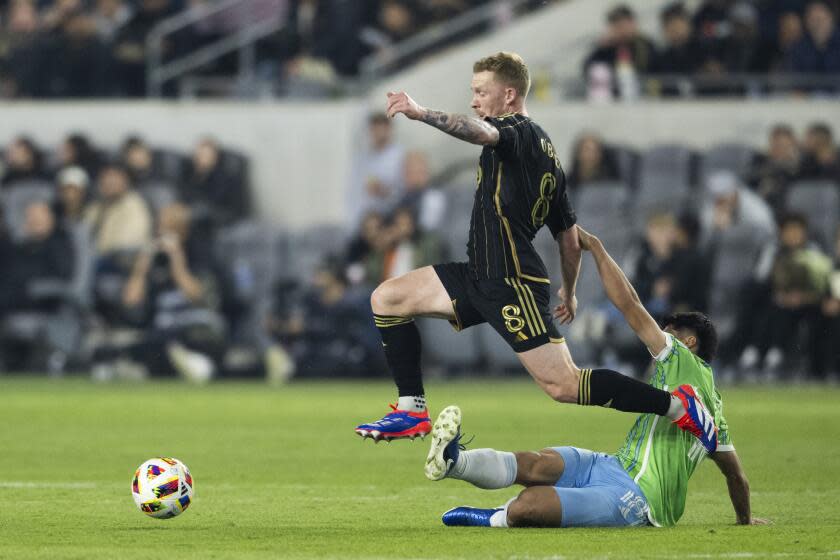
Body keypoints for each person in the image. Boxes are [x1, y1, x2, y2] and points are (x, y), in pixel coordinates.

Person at [355, 52, 718, 456]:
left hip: (511, 280)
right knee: (387, 298)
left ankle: (678, 407)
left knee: (564, 385)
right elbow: (568, 235)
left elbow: (480, 132)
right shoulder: (551, 159)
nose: (474, 101)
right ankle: (412, 409)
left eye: (480, 92)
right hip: (479, 275)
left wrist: (421, 113)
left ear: (509, 95)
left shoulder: (517, 130)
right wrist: (570, 289)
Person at [425, 226, 769, 529]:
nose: (661, 336)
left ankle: (494, 517)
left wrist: (597, 249)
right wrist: (744, 520)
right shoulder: (716, 415)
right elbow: (736, 475)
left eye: (671, 332)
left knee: (530, 504)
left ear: (689, 342)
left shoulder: (681, 359)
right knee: (537, 463)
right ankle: (455, 462)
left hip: (638, 496)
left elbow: (630, 305)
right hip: (613, 465)